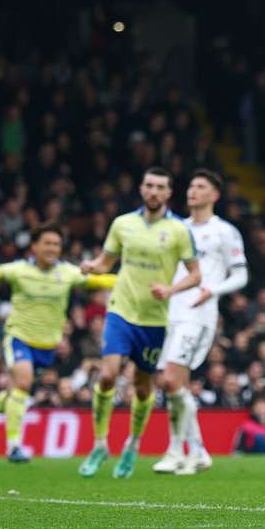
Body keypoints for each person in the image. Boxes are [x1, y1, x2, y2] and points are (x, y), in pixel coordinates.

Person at [0, 223, 116, 463]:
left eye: (57, 244)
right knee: (23, 382)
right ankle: (13, 446)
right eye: (47, 243)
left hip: (47, 345)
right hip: (19, 337)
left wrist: (131, 280)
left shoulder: (68, 273)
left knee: (18, 391)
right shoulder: (19, 270)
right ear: (34, 246)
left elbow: (100, 281)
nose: (52, 248)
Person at [77, 167, 201, 479]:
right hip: (121, 309)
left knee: (143, 388)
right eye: (149, 185)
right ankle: (100, 443)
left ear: (169, 193)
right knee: (107, 375)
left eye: (160, 187)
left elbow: (196, 274)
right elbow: (106, 262)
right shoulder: (122, 224)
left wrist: (171, 290)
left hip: (154, 319)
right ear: (141, 188)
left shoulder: (178, 231)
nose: (154, 191)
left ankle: (132, 444)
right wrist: (92, 267)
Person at [152, 169, 248, 475]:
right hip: (170, 313)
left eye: (201, 186)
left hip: (199, 315)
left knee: (170, 380)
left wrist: (212, 290)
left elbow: (241, 275)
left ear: (214, 195)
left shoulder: (225, 232)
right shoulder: (176, 228)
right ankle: (194, 451)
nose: (193, 190)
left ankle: (177, 450)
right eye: (191, 186)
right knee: (171, 384)